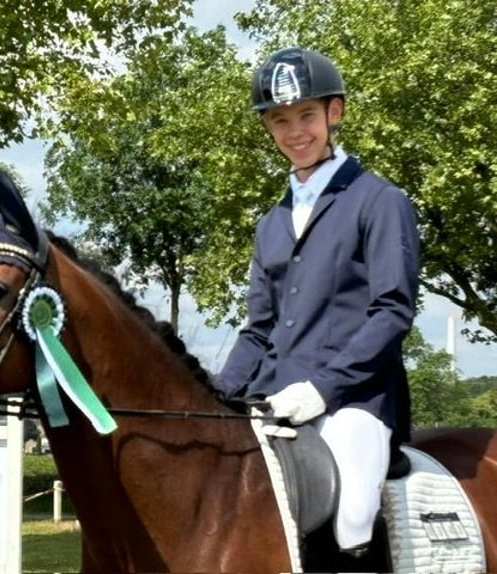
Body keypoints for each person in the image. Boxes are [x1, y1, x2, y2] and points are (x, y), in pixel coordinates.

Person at [213, 47, 420, 560]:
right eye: (279, 120)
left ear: (335, 112)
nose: (294, 132)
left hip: (355, 399)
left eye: (306, 114)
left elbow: (392, 311)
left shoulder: (379, 201)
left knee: (349, 515)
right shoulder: (271, 223)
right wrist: (212, 397)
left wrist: (322, 389)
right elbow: (258, 329)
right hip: (271, 398)